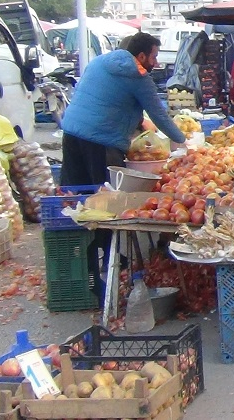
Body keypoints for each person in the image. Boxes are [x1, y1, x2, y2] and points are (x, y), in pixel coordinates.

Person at [60, 32, 187, 301]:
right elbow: (159, 114)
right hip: (100, 142)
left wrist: (137, 121)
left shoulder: (100, 62)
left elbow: (109, 101)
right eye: (153, 56)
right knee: (107, 205)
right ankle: (106, 264)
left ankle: (88, 261)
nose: (154, 61)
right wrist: (182, 141)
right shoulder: (138, 77)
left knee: (79, 200)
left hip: (71, 134)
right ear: (141, 56)